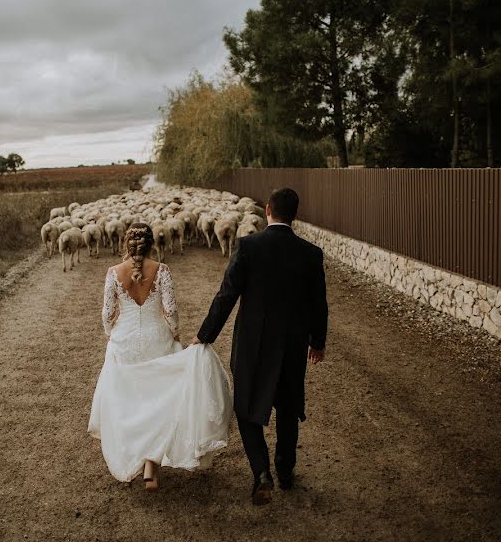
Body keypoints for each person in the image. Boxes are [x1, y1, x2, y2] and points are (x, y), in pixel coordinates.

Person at [192, 187, 328, 505]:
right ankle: (285, 472)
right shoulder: (310, 253)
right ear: (295, 215)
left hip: (253, 344)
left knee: (246, 408)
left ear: (267, 210)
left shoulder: (248, 246)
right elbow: (319, 305)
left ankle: (261, 473)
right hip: (291, 346)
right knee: (288, 408)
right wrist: (317, 342)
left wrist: (205, 334)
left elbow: (227, 295)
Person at [88, 223, 232, 491]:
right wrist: (175, 334)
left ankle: (137, 457)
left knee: (130, 401)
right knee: (159, 400)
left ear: (126, 244)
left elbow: (107, 314)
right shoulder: (162, 270)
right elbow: (171, 309)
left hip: (125, 341)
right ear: (152, 243)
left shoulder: (113, 273)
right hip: (157, 339)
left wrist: (111, 335)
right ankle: (151, 465)